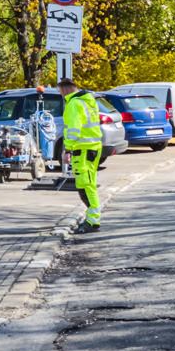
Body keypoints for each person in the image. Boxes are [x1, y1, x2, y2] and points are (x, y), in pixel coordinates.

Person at [59, 75, 103, 233]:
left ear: (63, 90)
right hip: (92, 147)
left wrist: (67, 150)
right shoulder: (89, 101)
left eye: (60, 92)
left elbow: (74, 130)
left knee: (86, 185)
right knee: (86, 183)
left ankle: (93, 221)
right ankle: (92, 218)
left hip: (82, 149)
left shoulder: (74, 104)